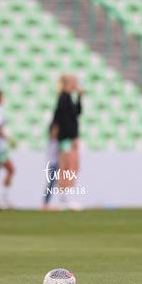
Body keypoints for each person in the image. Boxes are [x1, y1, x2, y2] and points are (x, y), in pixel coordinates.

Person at [52, 74, 83, 209]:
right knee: (71, 167)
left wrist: (80, 97)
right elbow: (64, 121)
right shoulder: (64, 98)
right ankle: (68, 198)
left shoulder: (66, 98)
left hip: (65, 138)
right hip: (67, 138)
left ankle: (63, 198)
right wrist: (73, 137)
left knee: (66, 168)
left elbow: (77, 113)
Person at [42, 122, 59, 210]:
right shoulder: (52, 141)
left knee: (59, 184)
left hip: (58, 164)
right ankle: (46, 203)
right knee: (51, 184)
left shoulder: (57, 141)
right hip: (53, 164)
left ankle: (58, 202)